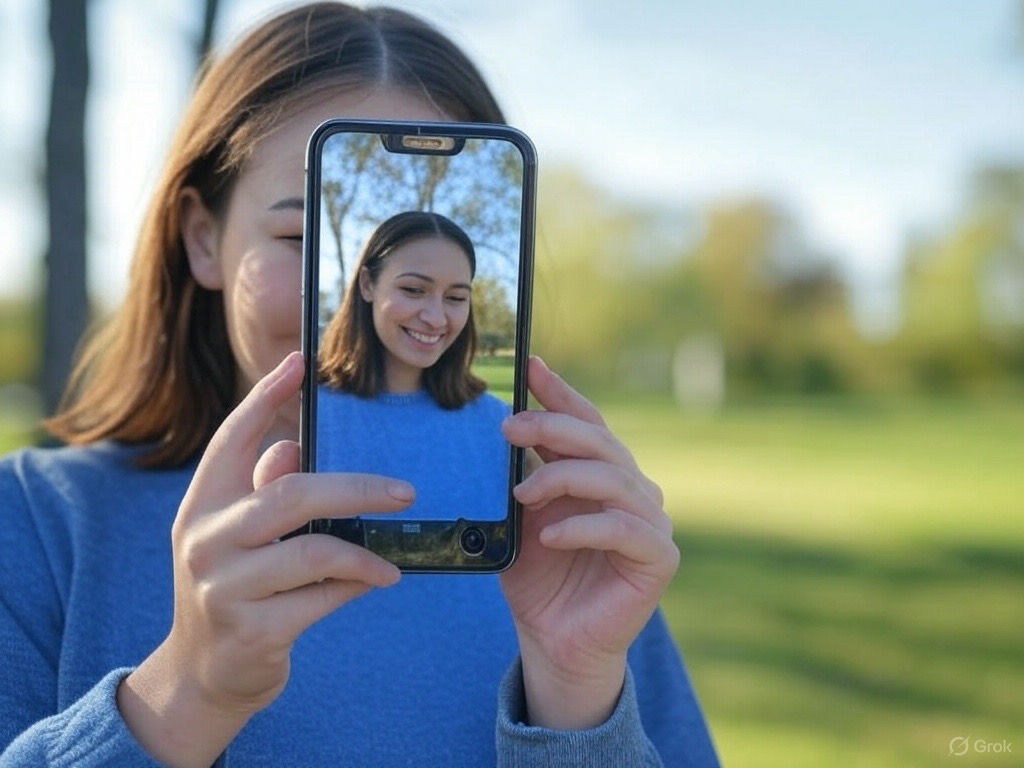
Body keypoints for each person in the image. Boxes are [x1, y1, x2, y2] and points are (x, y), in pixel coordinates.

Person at [0, 3, 720, 767]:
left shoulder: (552, 517)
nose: (332, 291)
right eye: (297, 239)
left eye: (451, 289)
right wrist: (188, 694)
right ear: (203, 238)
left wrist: (576, 695)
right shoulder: (40, 524)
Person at [316, 210, 511, 522]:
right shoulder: (303, 412)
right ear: (367, 284)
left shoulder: (506, 427)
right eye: (413, 290)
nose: (436, 318)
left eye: (456, 297)